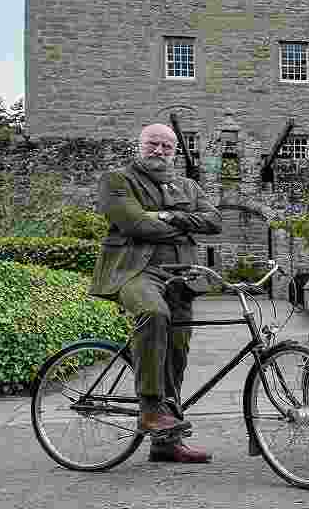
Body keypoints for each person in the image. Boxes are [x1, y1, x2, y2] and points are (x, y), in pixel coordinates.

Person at [91, 123, 222, 463]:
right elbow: (136, 224)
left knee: (176, 356)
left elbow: (214, 221)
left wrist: (166, 215)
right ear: (139, 145)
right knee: (152, 312)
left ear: (174, 151)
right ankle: (150, 409)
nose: (159, 150)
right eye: (153, 143)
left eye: (167, 146)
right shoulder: (117, 180)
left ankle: (166, 444)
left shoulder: (188, 185)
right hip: (135, 272)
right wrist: (185, 226)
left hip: (181, 279)